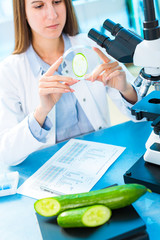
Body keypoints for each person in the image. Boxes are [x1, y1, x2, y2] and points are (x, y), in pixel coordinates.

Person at [0, 0, 140, 166]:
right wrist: (41, 113)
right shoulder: (9, 71)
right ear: (22, 12)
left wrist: (126, 90)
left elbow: (142, 117)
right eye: (39, 6)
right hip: (47, 173)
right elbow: (6, 155)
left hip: (101, 161)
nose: (52, 15)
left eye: (57, 2)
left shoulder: (91, 47)